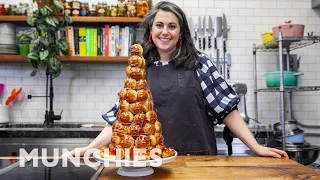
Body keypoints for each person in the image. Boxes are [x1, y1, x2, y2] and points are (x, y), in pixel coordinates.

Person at [65, 1, 288, 159]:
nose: (165, 32)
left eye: (172, 26)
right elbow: (119, 120)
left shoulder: (200, 63)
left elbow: (228, 111)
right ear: (151, 30)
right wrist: (90, 148)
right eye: (159, 25)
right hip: (154, 161)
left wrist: (256, 147)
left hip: (199, 161)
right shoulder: (142, 69)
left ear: (180, 32)